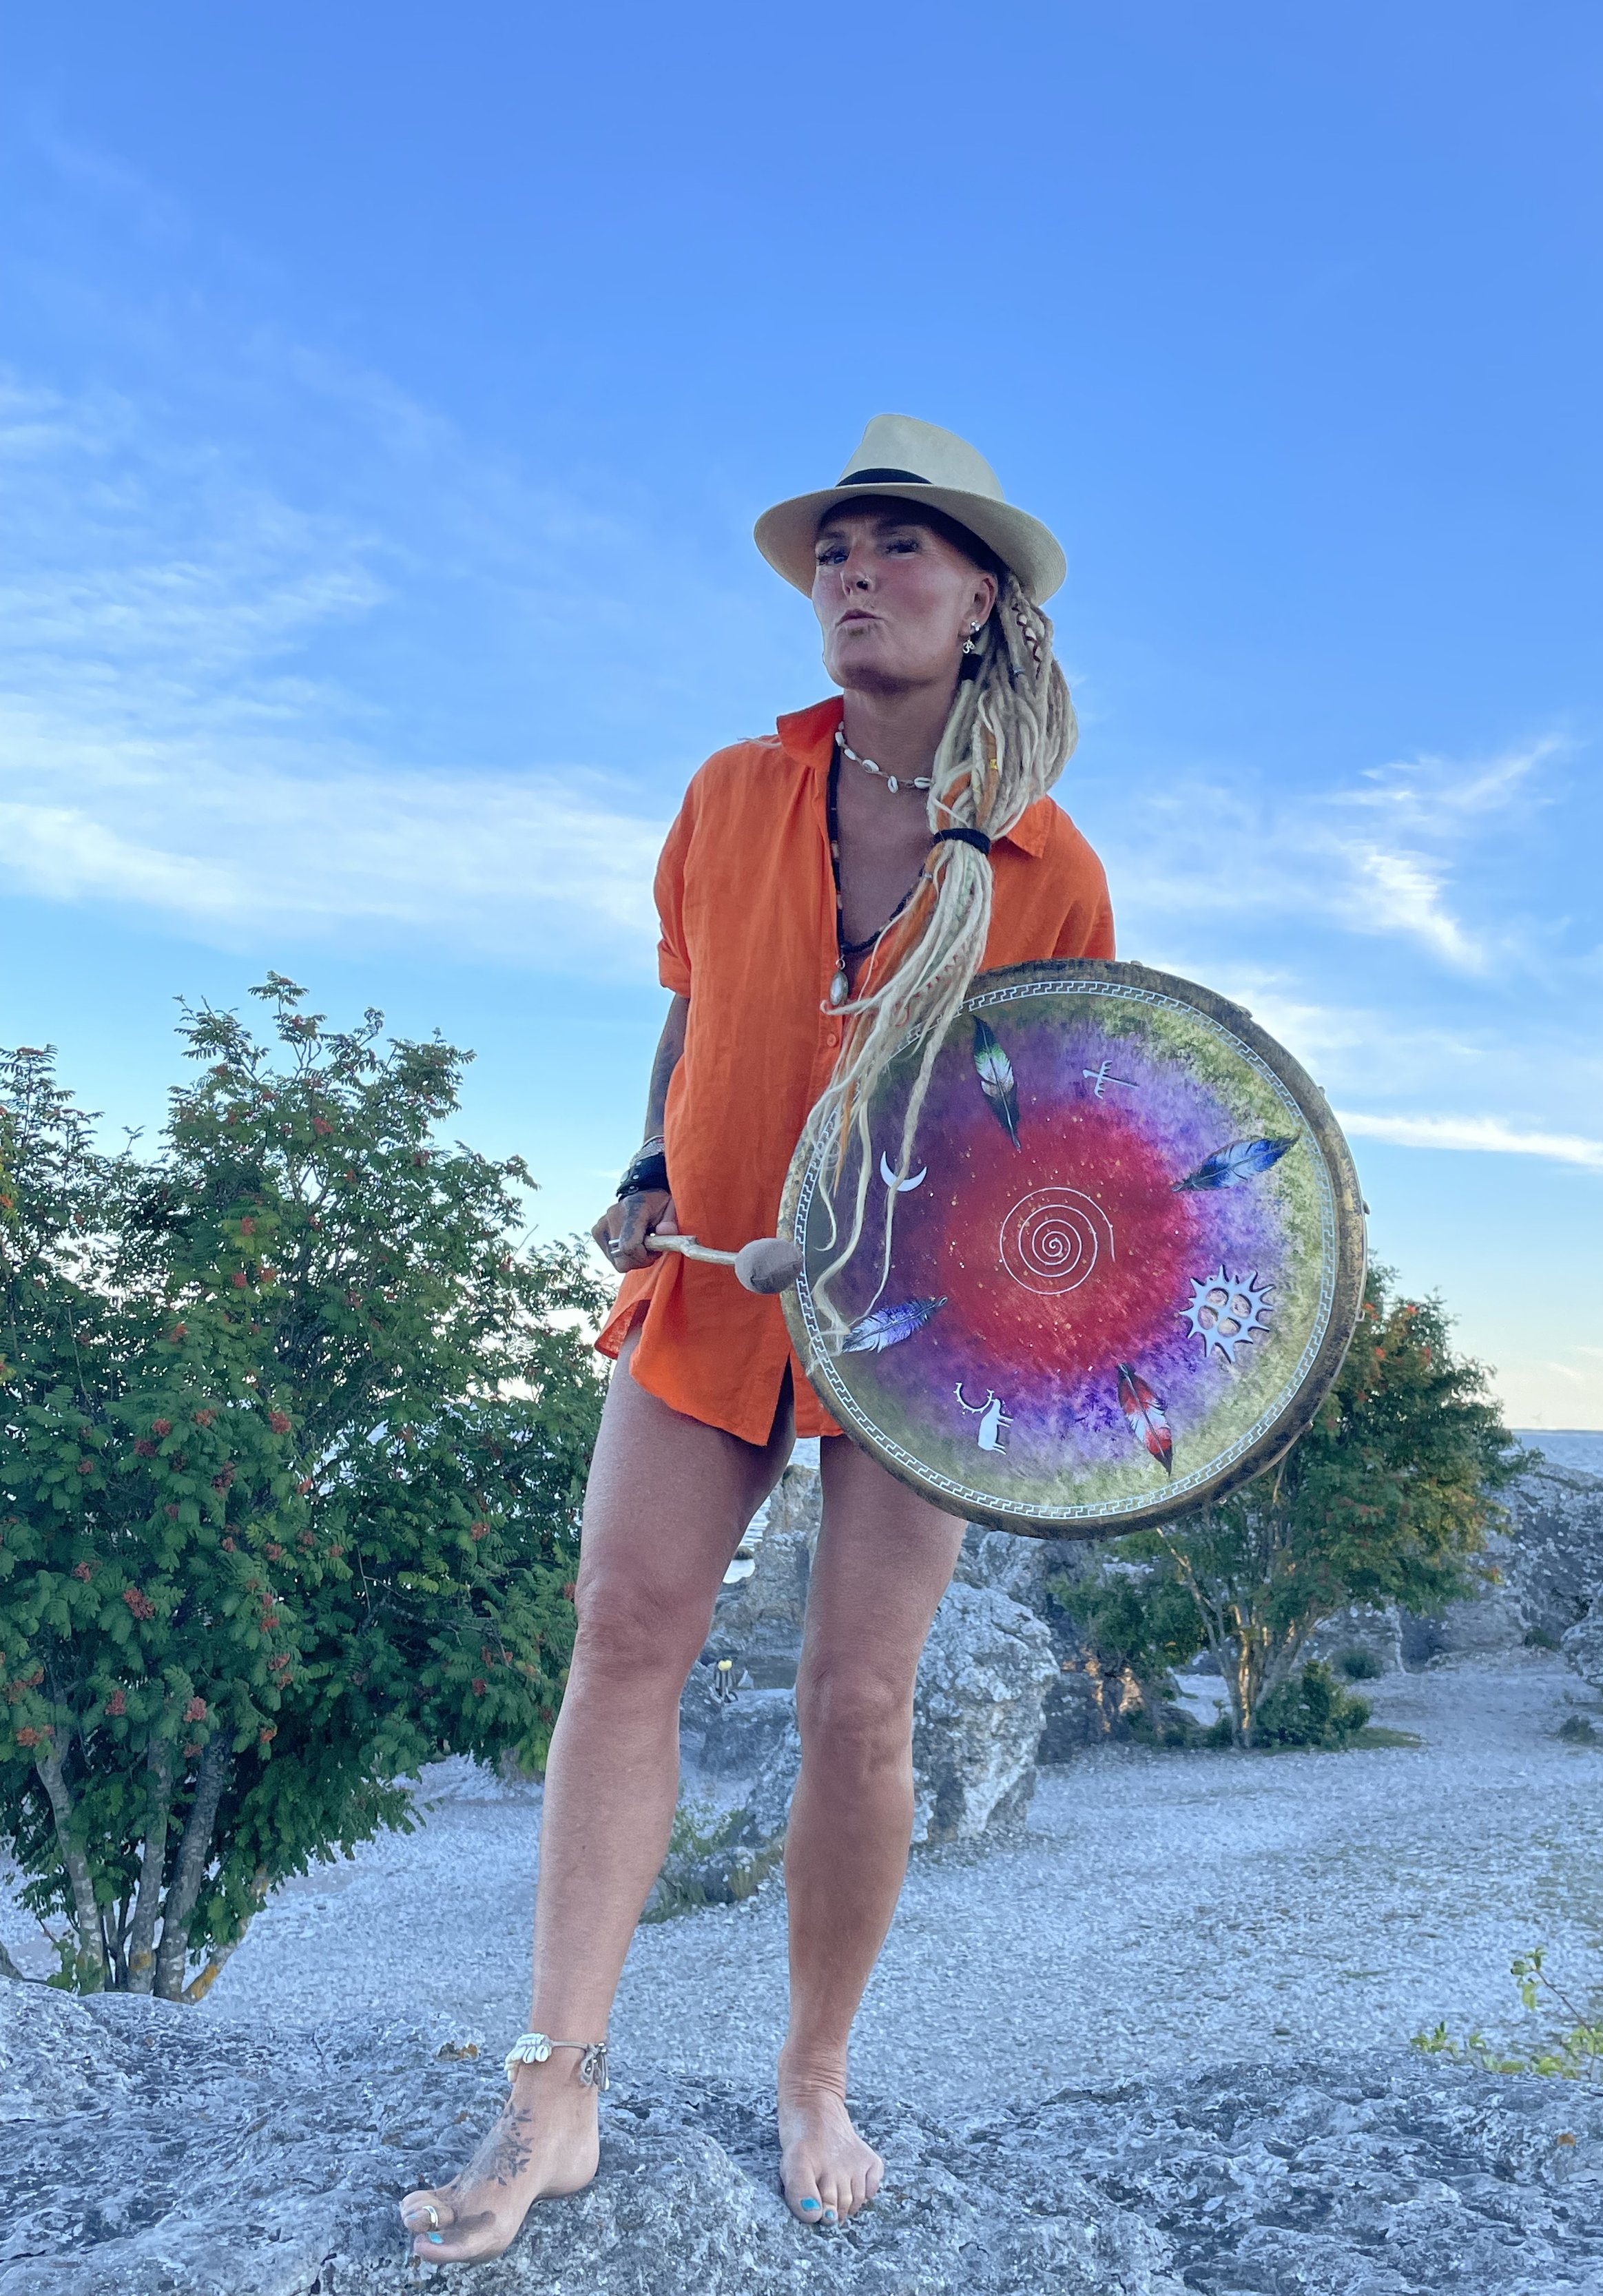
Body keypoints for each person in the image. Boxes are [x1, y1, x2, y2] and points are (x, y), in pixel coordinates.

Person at [400, 415, 1113, 2264]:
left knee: (856, 1703)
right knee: (623, 1634)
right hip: (711, 1282)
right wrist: (647, 1163)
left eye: (896, 547)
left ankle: (814, 2068)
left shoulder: (1048, 868)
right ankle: (554, 2084)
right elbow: (693, 1011)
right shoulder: (728, 791)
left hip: (917, 1322)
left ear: (981, 602)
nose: (851, 574)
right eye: (831, 551)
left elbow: (1065, 1126)